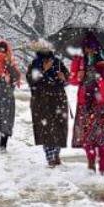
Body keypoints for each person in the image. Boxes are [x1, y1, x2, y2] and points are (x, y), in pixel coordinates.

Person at [69, 33, 104, 175]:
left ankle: (103, 166)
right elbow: (72, 80)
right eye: (86, 48)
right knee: (87, 136)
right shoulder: (79, 60)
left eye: (91, 48)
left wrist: (101, 82)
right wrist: (76, 74)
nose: (89, 51)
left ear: (97, 47)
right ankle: (91, 162)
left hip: (101, 103)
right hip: (85, 102)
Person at [25, 40, 70, 168]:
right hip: (41, 102)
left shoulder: (58, 63)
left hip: (58, 101)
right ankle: (50, 157)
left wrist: (64, 78)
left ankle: (56, 155)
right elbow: (31, 81)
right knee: (46, 129)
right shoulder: (34, 64)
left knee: (59, 128)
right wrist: (44, 71)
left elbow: (67, 79)